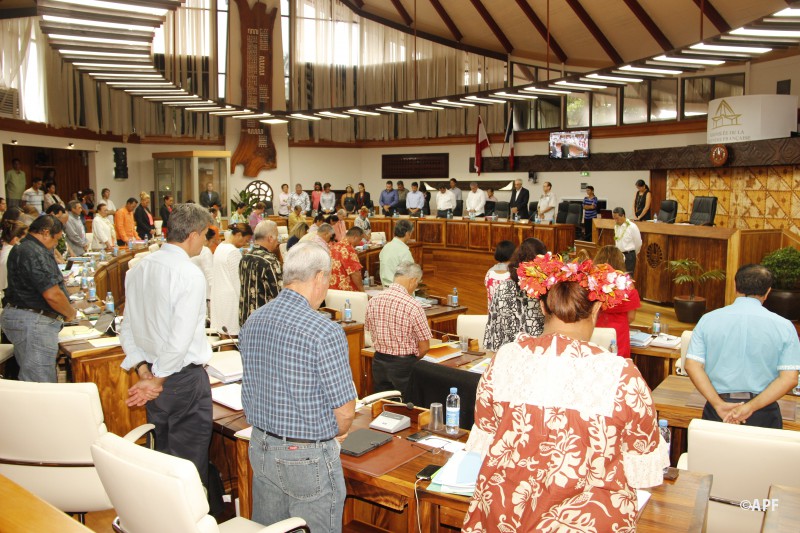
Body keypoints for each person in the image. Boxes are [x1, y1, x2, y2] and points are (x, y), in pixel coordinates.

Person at [463, 253, 667, 532]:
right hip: (587, 522)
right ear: (596, 310)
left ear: (541, 307)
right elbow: (642, 463)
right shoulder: (622, 375)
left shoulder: (505, 359)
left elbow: (487, 438)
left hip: (504, 515)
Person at [240, 242, 356, 532]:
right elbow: (345, 412)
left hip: (261, 445)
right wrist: (338, 431)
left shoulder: (254, 319)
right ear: (319, 277)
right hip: (305, 457)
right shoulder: (324, 330)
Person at [120, 203, 215, 490]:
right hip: (181, 379)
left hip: (153, 375)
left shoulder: (139, 267)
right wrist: (156, 380)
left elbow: (128, 327)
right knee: (188, 466)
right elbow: (179, 339)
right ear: (194, 235)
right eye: (205, 235)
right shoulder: (189, 273)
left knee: (162, 460)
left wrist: (144, 372)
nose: (205, 241)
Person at [685, 264, 800, 429]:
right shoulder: (785, 326)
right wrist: (750, 407)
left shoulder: (708, 320)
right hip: (763, 412)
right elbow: (789, 378)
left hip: (718, 409)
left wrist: (718, 404)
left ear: (735, 286)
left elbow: (692, 365)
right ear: (768, 291)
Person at [2, 215, 77, 382]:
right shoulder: (32, 251)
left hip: (29, 319)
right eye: (56, 239)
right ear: (45, 232)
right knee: (40, 382)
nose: (55, 244)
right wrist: (70, 313)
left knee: (36, 378)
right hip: (34, 321)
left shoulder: (28, 247)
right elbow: (52, 294)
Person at [365, 261, 431, 395]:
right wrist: (410, 360)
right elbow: (424, 347)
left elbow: (370, 331)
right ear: (413, 281)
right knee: (406, 404)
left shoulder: (373, 300)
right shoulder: (413, 306)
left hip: (378, 362)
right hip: (404, 365)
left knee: (383, 403)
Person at [484, 238, 548, 351]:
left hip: (507, 352)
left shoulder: (502, 287)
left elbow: (493, 328)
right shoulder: (545, 290)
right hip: (538, 352)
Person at [594, 245, 641, 358]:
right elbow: (631, 317)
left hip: (594, 332)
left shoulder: (592, 282)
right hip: (618, 334)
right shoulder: (627, 285)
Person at [210, 223, 253, 335]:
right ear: (238, 235)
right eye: (246, 240)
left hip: (219, 296)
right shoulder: (233, 252)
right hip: (230, 300)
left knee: (223, 333)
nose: (245, 244)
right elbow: (238, 281)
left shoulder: (221, 246)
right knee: (231, 336)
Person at [239, 220, 282, 327]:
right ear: (270, 238)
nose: (277, 241)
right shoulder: (270, 261)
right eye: (277, 237)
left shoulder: (245, 257)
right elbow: (279, 295)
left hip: (245, 318)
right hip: (264, 323)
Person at [378, 219, 414, 286]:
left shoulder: (385, 247)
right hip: (399, 288)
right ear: (407, 233)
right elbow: (410, 275)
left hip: (385, 287)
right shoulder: (404, 251)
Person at [329, 226, 364, 292]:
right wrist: (363, 291)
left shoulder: (335, 246)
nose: (359, 243)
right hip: (346, 291)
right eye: (360, 239)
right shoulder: (348, 249)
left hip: (332, 289)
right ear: (355, 237)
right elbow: (355, 273)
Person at [191, 226, 219, 310]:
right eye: (212, 241)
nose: (212, 244)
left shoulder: (193, 249)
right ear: (206, 239)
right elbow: (209, 273)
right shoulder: (205, 251)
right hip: (204, 290)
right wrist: (215, 292)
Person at [0, 219, 28, 301]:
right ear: (16, 240)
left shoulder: (5, 250)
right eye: (25, 238)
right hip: (8, 298)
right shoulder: (14, 255)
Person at [484, 240, 515, 309]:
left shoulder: (489, 273)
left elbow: (489, 297)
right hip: (510, 313)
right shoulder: (514, 274)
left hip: (493, 313)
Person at [612, 207, 642, 275]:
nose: (616, 221)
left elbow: (638, 242)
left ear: (623, 215)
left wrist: (634, 254)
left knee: (628, 277)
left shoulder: (632, 227)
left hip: (629, 256)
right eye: (614, 218)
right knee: (618, 276)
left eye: (617, 218)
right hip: (619, 255)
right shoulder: (616, 227)